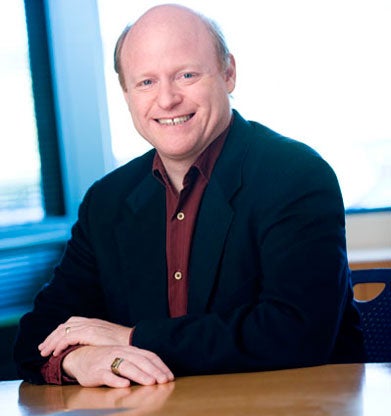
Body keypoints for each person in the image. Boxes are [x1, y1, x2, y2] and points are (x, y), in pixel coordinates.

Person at [14, 4, 365, 388]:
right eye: (146, 82)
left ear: (228, 73)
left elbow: (297, 332)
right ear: (126, 93)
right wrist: (79, 358)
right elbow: (39, 334)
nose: (166, 100)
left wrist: (131, 338)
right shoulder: (107, 201)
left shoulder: (295, 176)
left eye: (186, 75)